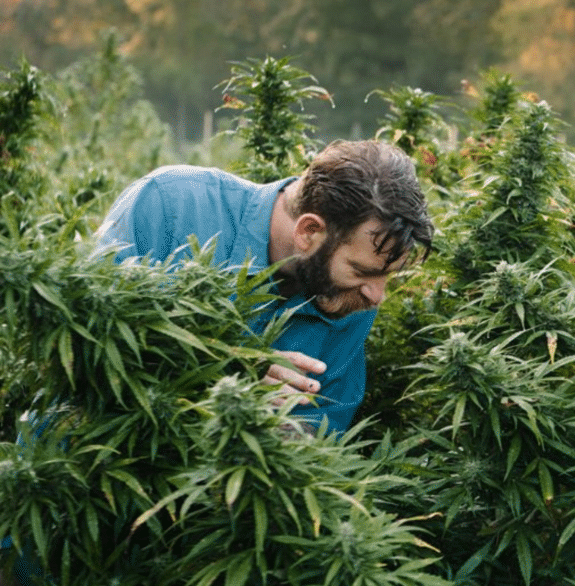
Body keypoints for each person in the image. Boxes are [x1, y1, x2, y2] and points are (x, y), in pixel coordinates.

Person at [94, 138, 434, 433]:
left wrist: (280, 432)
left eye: (386, 275)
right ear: (309, 231)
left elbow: (318, 434)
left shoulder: (350, 299)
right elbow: (90, 339)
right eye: (362, 271)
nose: (377, 296)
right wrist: (226, 371)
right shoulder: (171, 204)